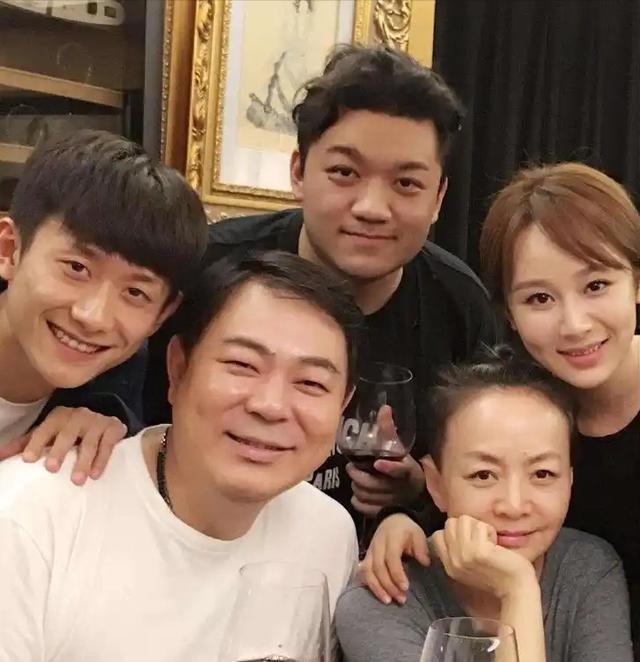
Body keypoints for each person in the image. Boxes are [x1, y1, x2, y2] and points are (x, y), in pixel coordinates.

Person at [144, 44, 497, 529]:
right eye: (344, 173)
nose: (372, 207)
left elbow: (482, 467)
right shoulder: (208, 269)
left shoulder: (460, 306)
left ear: (438, 198)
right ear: (298, 173)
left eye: (406, 184)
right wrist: (92, 408)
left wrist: (420, 489)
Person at [0, 250, 361, 662]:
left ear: (343, 404)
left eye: (311, 383)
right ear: (177, 369)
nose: (271, 405)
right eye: (242, 365)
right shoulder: (28, 519)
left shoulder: (326, 533)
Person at [360, 162, 640, 654]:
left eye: (596, 285)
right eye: (539, 298)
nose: (574, 324)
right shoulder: (518, 401)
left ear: (636, 282)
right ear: (508, 312)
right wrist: (411, 516)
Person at [336, 349, 633, 662]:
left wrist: (517, 589)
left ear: (570, 480)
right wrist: (517, 588)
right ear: (435, 484)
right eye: (483, 475)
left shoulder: (587, 569)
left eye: (542, 474)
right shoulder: (382, 599)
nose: (514, 506)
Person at [0, 129, 208, 483]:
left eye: (135, 293)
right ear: (9, 251)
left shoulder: (112, 404)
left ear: (162, 315)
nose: (93, 317)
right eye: (76, 268)